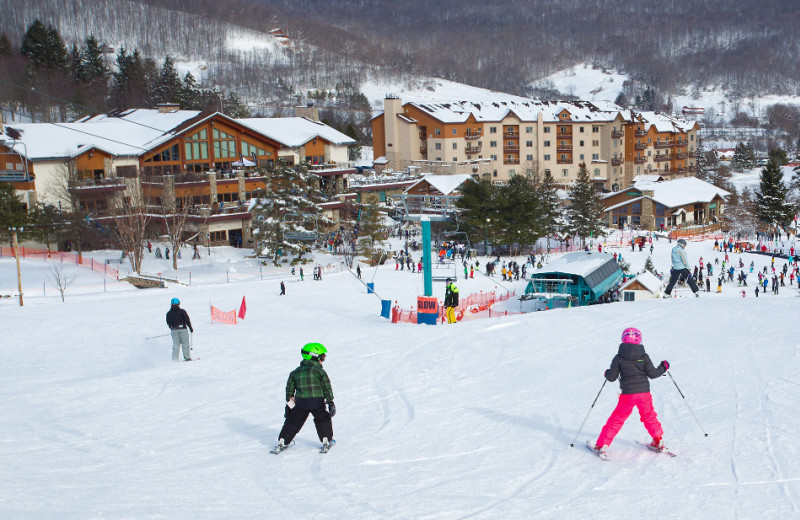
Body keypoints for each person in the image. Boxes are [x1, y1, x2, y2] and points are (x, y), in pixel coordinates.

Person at [591, 328, 669, 458]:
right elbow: (653, 374)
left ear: (623, 339)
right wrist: (664, 366)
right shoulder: (644, 356)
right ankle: (659, 441)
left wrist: (606, 373)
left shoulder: (619, 357)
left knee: (617, 419)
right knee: (649, 416)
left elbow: (611, 377)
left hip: (628, 394)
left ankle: (602, 445)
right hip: (644, 394)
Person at [274, 343, 335, 452]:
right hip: (317, 402)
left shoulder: (295, 372)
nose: (323, 360)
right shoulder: (319, 371)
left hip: (301, 403)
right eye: (322, 357)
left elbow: (289, 391)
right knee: (322, 419)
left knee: (293, 421)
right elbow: (327, 387)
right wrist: (330, 402)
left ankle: (283, 440)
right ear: (314, 356)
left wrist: (289, 406)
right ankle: (326, 440)